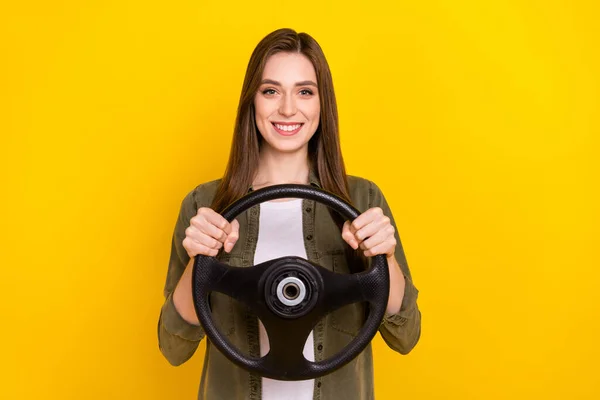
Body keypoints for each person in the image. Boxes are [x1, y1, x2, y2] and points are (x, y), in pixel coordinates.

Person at [157, 28, 421, 400]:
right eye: (270, 91)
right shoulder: (205, 205)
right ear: (252, 102)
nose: (287, 108)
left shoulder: (361, 198)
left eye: (304, 91)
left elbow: (405, 335)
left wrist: (383, 257)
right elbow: (173, 348)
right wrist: (200, 260)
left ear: (321, 104)